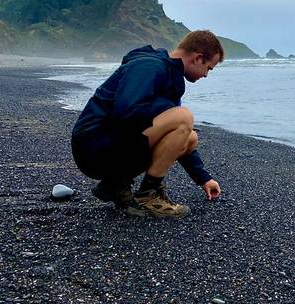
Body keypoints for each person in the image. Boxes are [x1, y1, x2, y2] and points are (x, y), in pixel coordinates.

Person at [70, 30, 223, 218]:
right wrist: (167, 110)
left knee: (190, 136)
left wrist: (204, 179)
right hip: (92, 147)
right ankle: (148, 195)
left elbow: (175, 134)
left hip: (111, 144)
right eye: (209, 68)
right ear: (198, 58)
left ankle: (113, 185)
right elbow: (126, 111)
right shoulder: (149, 66)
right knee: (183, 117)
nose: (206, 75)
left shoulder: (170, 75)